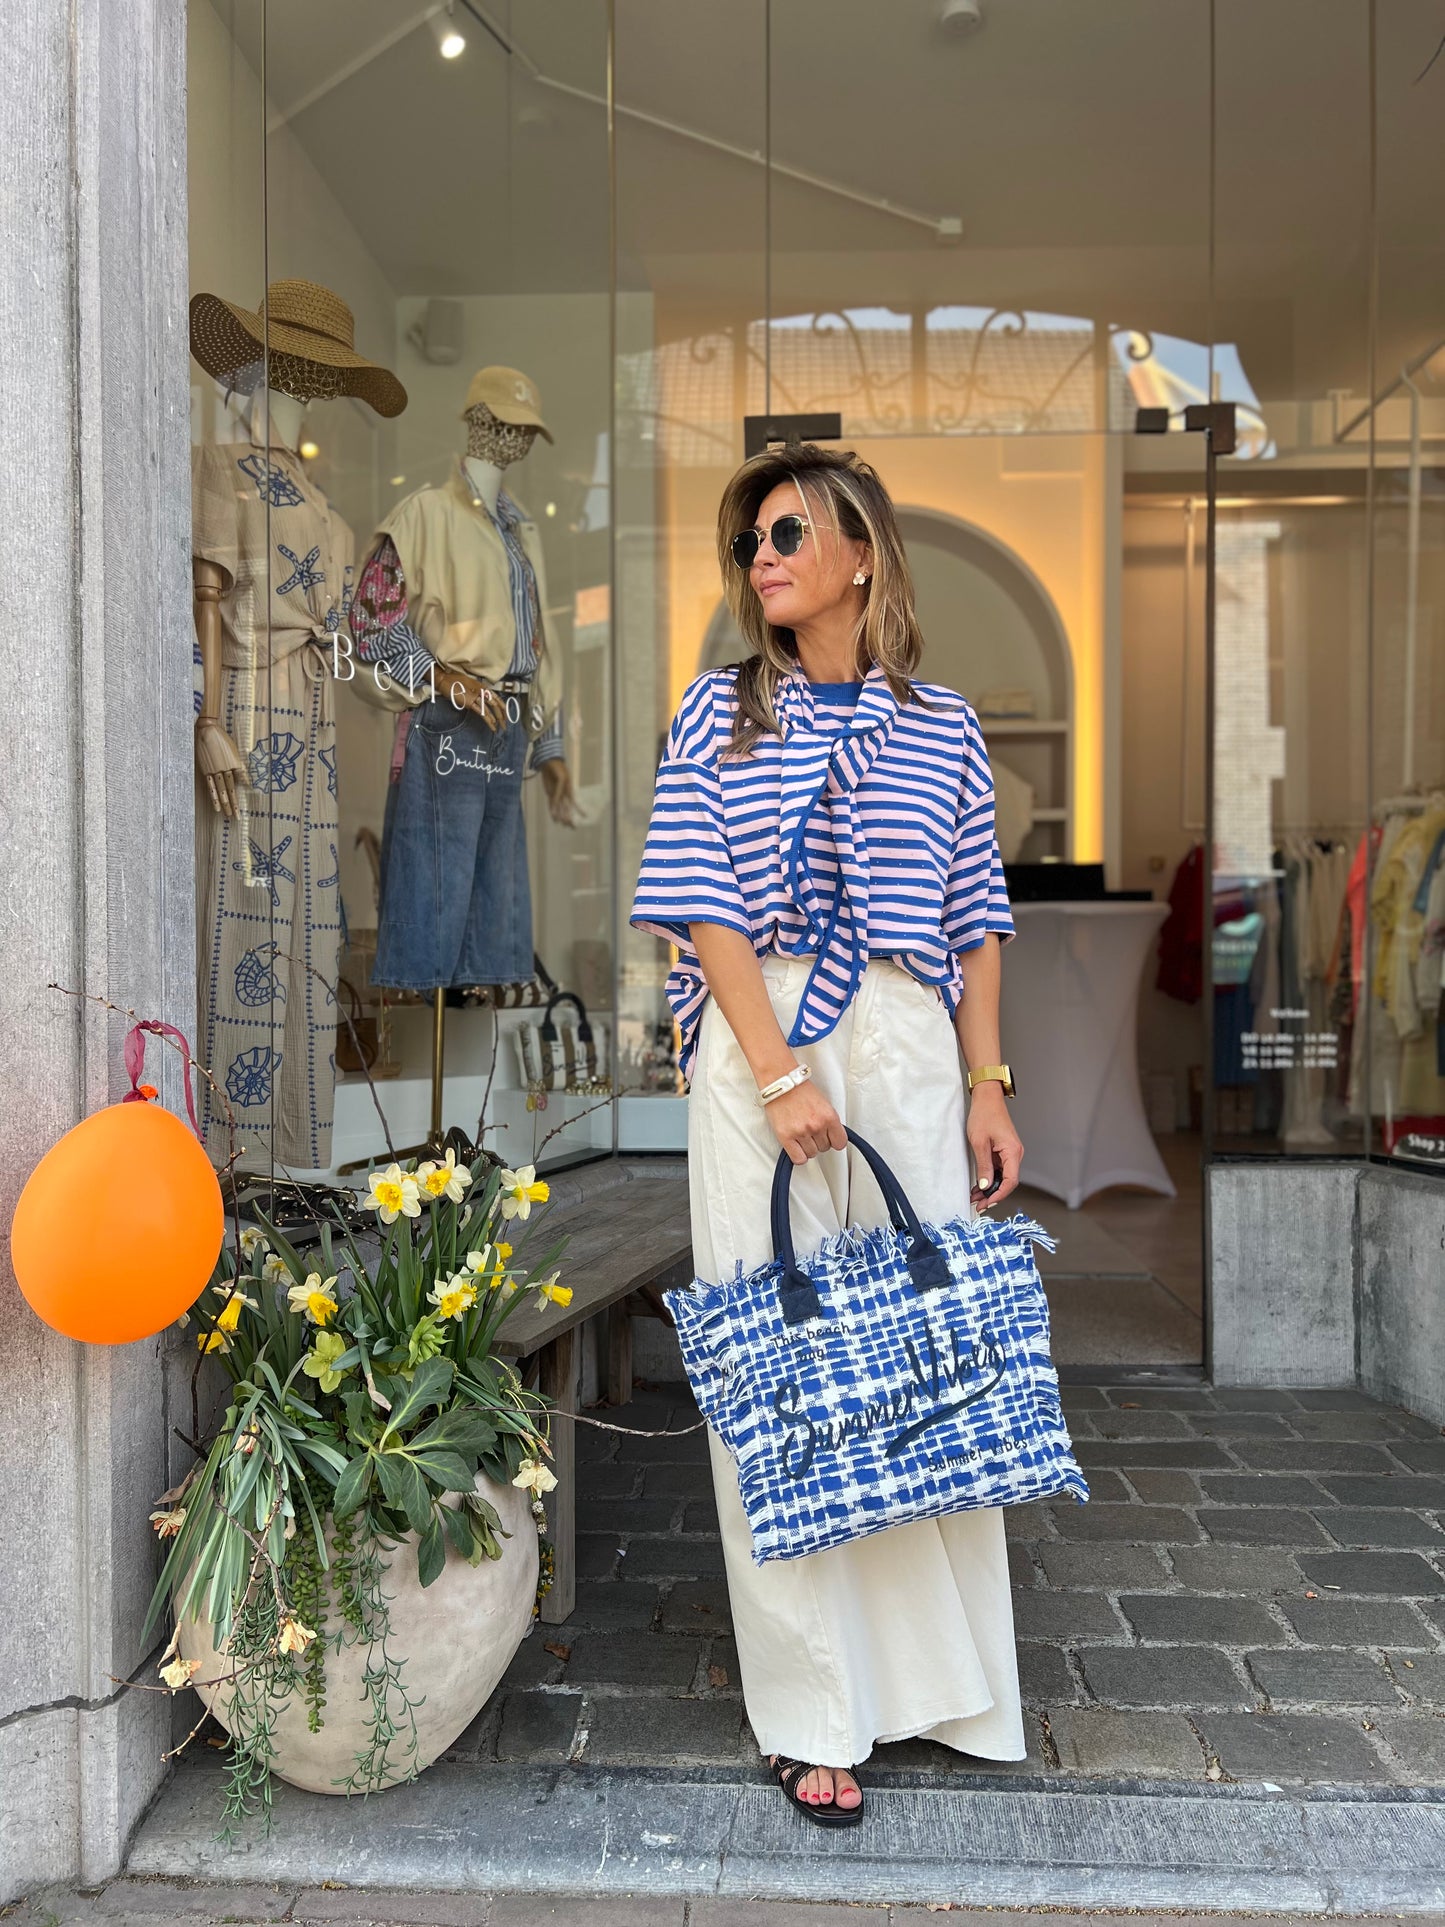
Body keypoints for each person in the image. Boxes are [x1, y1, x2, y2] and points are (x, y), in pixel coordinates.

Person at [630, 444, 1026, 1827]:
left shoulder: (944, 723)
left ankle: (949, 1685)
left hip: (911, 1044)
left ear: (863, 554)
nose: (763, 553)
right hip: (763, 1040)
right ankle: (814, 1706)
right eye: (751, 536)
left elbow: (975, 918)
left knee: (925, 1355)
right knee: (783, 1361)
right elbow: (699, 903)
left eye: (789, 529)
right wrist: (778, 1063)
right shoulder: (718, 714)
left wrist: (988, 1084)